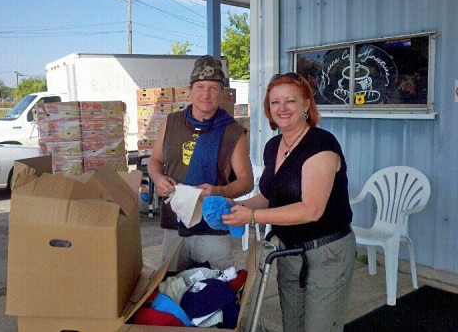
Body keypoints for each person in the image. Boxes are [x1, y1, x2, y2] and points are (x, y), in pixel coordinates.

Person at [222, 72, 356, 331]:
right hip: (288, 252)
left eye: (290, 101)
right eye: (275, 103)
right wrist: (237, 207)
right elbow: (271, 197)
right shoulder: (273, 146)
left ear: (306, 105)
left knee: (320, 327)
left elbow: (311, 210)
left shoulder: (321, 144)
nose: (282, 109)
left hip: (326, 253)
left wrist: (250, 217)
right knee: (291, 325)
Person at [147, 55, 253, 272]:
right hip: (174, 224)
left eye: (213, 88)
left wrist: (219, 190)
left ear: (222, 92)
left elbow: (247, 182)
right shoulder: (171, 122)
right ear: (190, 89)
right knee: (171, 287)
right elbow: (155, 161)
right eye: (200, 86)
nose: (206, 94)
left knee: (216, 288)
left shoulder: (232, 131)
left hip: (211, 228)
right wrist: (158, 178)